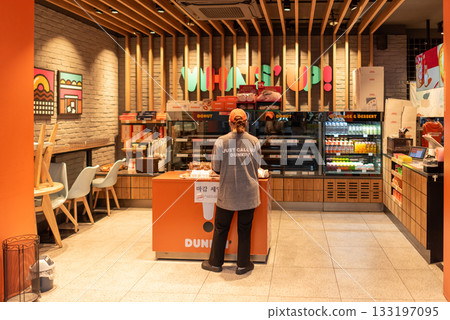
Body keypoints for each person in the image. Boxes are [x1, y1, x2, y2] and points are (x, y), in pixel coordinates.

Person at [201, 108, 261, 275]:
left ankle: (215, 263)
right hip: (248, 194)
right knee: (244, 229)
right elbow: (256, 167)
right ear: (246, 122)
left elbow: (216, 168)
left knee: (221, 228)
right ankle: (243, 265)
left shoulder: (221, 141)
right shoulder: (254, 141)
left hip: (227, 194)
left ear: (229, 122)